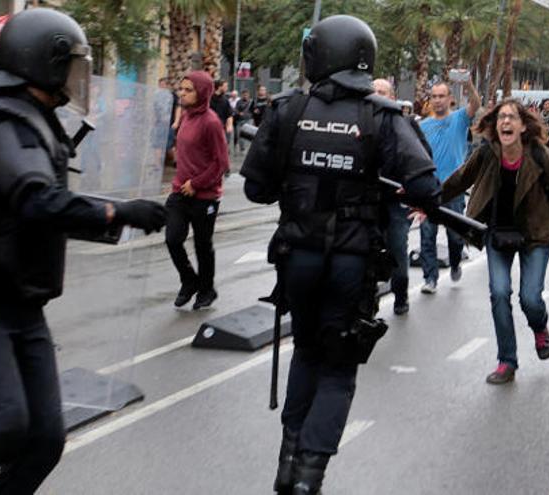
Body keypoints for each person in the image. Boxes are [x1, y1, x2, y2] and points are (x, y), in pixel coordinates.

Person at [0, 10, 167, 494]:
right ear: (45, 64)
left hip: (23, 304)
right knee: (3, 421)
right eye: (73, 65)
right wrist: (117, 213)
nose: (79, 77)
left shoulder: (37, 121)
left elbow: (44, 214)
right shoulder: (4, 125)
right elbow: (36, 199)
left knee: (45, 439)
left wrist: (119, 220)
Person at [241, 15, 446, 494]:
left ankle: (288, 460)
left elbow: (255, 188)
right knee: (338, 365)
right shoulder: (383, 115)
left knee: (307, 351)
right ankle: (309, 477)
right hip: (351, 262)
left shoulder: (288, 109)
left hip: (297, 258)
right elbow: (425, 185)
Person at [439, 99, 549, 384]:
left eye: (511, 118)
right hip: (498, 233)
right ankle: (506, 362)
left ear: (523, 126)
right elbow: (459, 180)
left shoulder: (538, 155)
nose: (505, 122)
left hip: (535, 235)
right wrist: (427, 202)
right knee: (499, 294)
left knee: (530, 299)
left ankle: (540, 328)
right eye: (500, 118)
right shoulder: (487, 153)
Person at [166, 71, 229, 310]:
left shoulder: (211, 122)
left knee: (203, 245)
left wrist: (197, 183)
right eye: (181, 89)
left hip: (205, 196)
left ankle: (206, 289)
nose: (182, 93)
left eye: (188, 90)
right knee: (173, 239)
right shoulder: (185, 116)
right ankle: (189, 281)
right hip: (179, 192)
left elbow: (220, 162)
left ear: (202, 92)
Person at [417, 79, 481, 293]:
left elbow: (476, 103)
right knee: (427, 236)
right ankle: (430, 279)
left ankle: (455, 263)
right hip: (429, 190)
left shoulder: (460, 118)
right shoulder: (422, 126)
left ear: (450, 99)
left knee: (455, 236)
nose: (437, 100)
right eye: (434, 96)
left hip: (453, 191)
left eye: (441, 96)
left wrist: (469, 83)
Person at [374, 78, 415, 315]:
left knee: (397, 248)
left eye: (382, 92)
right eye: (374, 91)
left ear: (392, 97)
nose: (377, 95)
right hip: (369, 201)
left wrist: (409, 186)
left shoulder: (405, 125)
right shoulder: (360, 122)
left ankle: (401, 294)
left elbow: (421, 159)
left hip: (397, 202)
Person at [209, 79, 234, 154]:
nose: (227, 88)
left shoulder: (225, 100)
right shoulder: (209, 99)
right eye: (225, 86)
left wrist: (229, 125)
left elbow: (229, 114)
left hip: (221, 128)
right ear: (220, 87)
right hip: (210, 129)